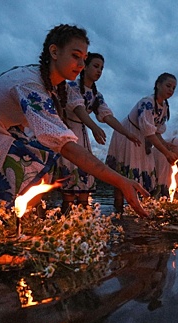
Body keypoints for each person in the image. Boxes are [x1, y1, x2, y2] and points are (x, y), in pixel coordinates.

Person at [0, 24, 148, 217]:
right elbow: (64, 145)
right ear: (54, 52)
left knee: (35, 166)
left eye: (84, 59)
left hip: (5, 125)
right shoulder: (31, 84)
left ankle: (15, 224)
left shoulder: (56, 86)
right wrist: (120, 180)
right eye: (76, 56)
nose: (81, 65)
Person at [58, 52, 141, 213]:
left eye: (101, 68)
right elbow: (79, 109)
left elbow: (108, 116)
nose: (99, 71)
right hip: (67, 133)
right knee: (69, 191)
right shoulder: (72, 87)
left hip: (82, 136)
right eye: (96, 66)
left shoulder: (97, 96)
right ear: (85, 67)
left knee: (84, 190)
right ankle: (64, 224)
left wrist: (127, 133)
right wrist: (93, 127)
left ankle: (84, 228)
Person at [106, 73, 178, 212]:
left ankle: (138, 210)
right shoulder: (147, 102)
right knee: (124, 175)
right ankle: (119, 211)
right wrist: (166, 153)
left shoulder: (164, 107)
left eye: (174, 88)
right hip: (128, 137)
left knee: (145, 175)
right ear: (158, 85)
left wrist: (165, 145)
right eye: (168, 86)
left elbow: (156, 131)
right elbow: (148, 131)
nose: (171, 90)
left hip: (143, 139)